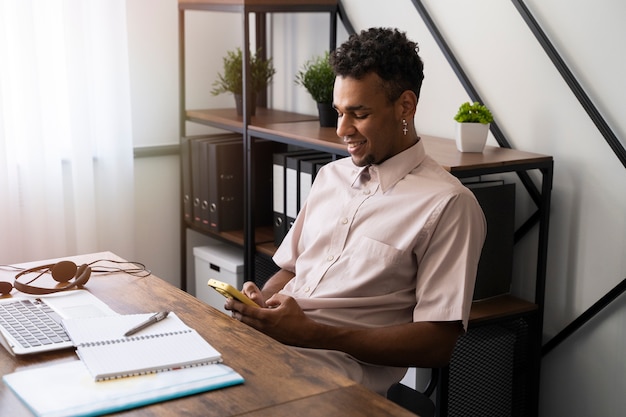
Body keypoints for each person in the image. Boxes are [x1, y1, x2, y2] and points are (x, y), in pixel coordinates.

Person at [226, 27, 486, 396]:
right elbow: (289, 269)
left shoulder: (448, 205)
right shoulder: (330, 176)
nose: (341, 130)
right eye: (339, 112)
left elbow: (437, 344)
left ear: (405, 107)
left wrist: (312, 334)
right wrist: (263, 306)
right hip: (265, 349)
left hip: (332, 382)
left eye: (359, 114)